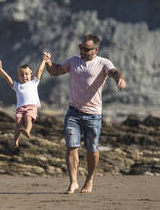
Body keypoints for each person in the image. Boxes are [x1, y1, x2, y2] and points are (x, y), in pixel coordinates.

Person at [44, 34, 126, 194]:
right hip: (73, 112)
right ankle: (73, 182)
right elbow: (55, 71)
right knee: (71, 147)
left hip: (93, 115)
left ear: (96, 49)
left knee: (92, 149)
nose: (82, 51)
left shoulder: (103, 62)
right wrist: (48, 62)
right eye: (80, 47)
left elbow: (114, 71)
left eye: (86, 49)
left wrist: (119, 79)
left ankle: (89, 180)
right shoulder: (73, 61)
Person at [0, 55, 46, 148]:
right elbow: (7, 78)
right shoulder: (17, 86)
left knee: (28, 117)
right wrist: (0, 69)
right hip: (20, 108)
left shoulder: (34, 82)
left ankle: (27, 131)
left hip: (31, 106)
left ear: (31, 75)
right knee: (17, 123)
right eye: (21, 75)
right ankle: (15, 141)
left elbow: (40, 71)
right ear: (18, 76)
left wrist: (43, 61)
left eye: (26, 74)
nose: (24, 76)